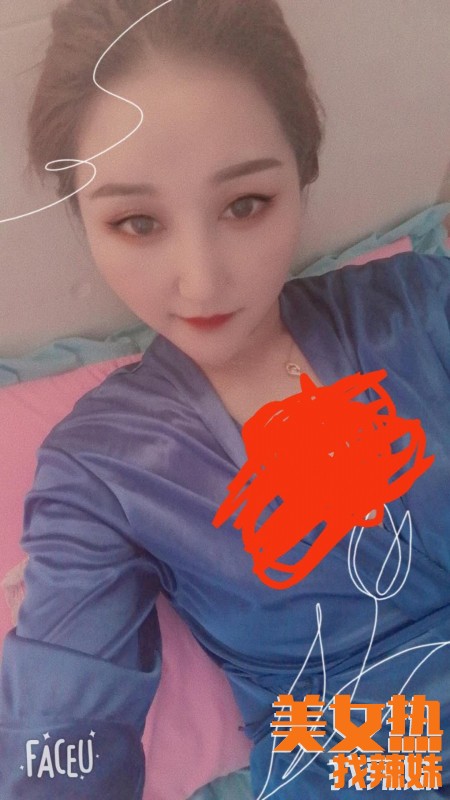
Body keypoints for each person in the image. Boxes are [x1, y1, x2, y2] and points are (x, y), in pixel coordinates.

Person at [1, 0, 449, 797]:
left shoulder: (421, 307)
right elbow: (59, 739)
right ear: (85, 220)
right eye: (138, 222)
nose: (202, 282)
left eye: (245, 205)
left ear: (301, 176)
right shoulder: (100, 472)